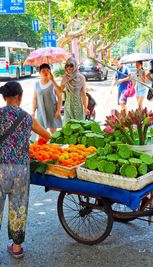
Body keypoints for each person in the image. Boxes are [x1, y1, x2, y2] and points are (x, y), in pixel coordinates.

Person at [0, 81, 51, 259]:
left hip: (0, 169)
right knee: (18, 207)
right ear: (20, 97)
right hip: (21, 170)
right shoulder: (27, 117)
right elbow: (47, 135)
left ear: (4, 97)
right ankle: (16, 248)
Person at [32, 63, 62, 136]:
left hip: (52, 111)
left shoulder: (52, 83)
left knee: (54, 134)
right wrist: (33, 111)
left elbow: (60, 97)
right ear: (39, 73)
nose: (45, 72)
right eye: (43, 71)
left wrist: (58, 111)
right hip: (41, 111)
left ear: (50, 71)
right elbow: (35, 99)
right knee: (41, 134)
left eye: (47, 70)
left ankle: (54, 147)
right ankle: (43, 147)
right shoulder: (36, 84)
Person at [59, 57, 89, 123]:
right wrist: (52, 80)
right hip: (68, 107)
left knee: (78, 128)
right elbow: (60, 90)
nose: (68, 68)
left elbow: (83, 93)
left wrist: (85, 107)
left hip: (78, 106)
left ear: (75, 66)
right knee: (67, 128)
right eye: (67, 65)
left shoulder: (81, 78)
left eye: (71, 65)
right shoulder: (65, 77)